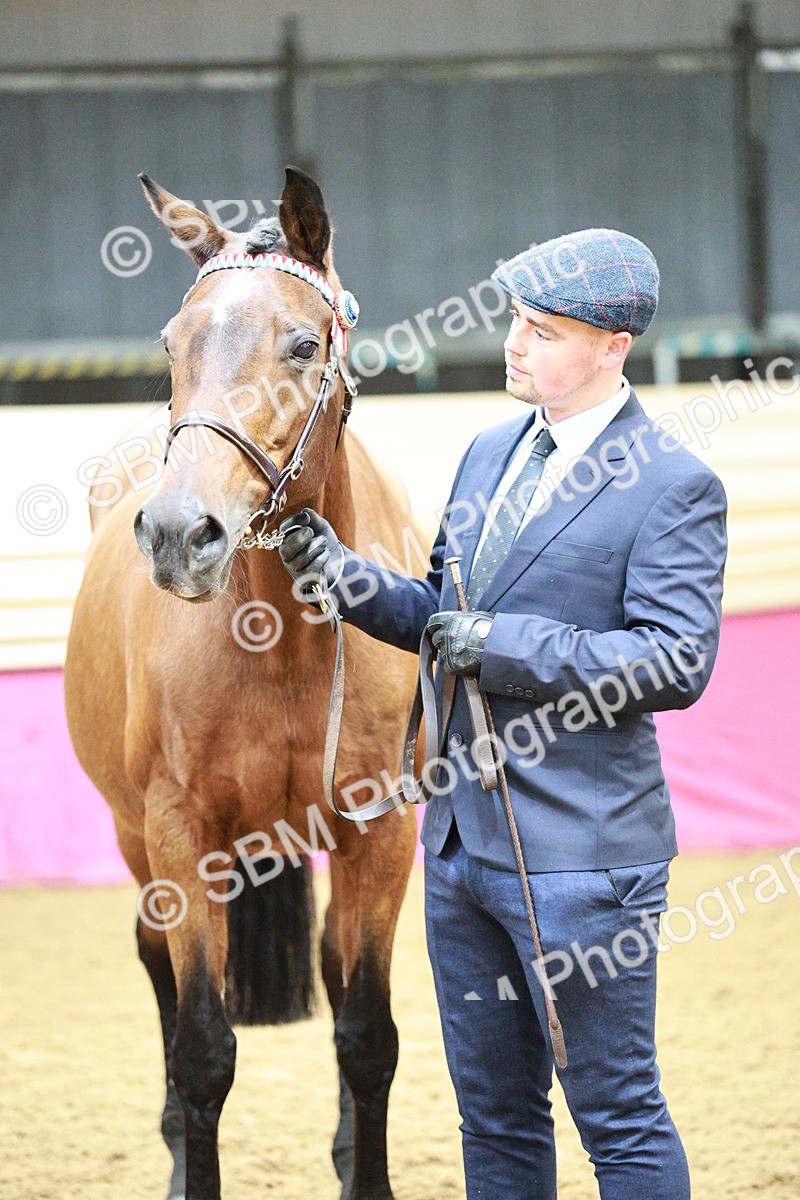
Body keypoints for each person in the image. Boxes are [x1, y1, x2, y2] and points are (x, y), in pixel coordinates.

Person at [278, 228, 728, 1200]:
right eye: (515, 321)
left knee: (618, 1118)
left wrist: (507, 644)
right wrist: (344, 579)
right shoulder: (488, 453)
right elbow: (443, 613)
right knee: (493, 1118)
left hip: (582, 863)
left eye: (543, 330)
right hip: (459, 853)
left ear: (611, 346)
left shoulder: (673, 485)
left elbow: (675, 661)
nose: (514, 343)